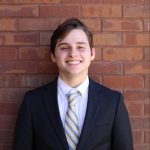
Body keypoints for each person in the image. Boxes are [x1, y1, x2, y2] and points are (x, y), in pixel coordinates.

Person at [13, 18, 134, 150]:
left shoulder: (112, 102)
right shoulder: (32, 102)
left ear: (92, 53)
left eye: (80, 47)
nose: (73, 54)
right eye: (64, 48)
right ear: (53, 56)